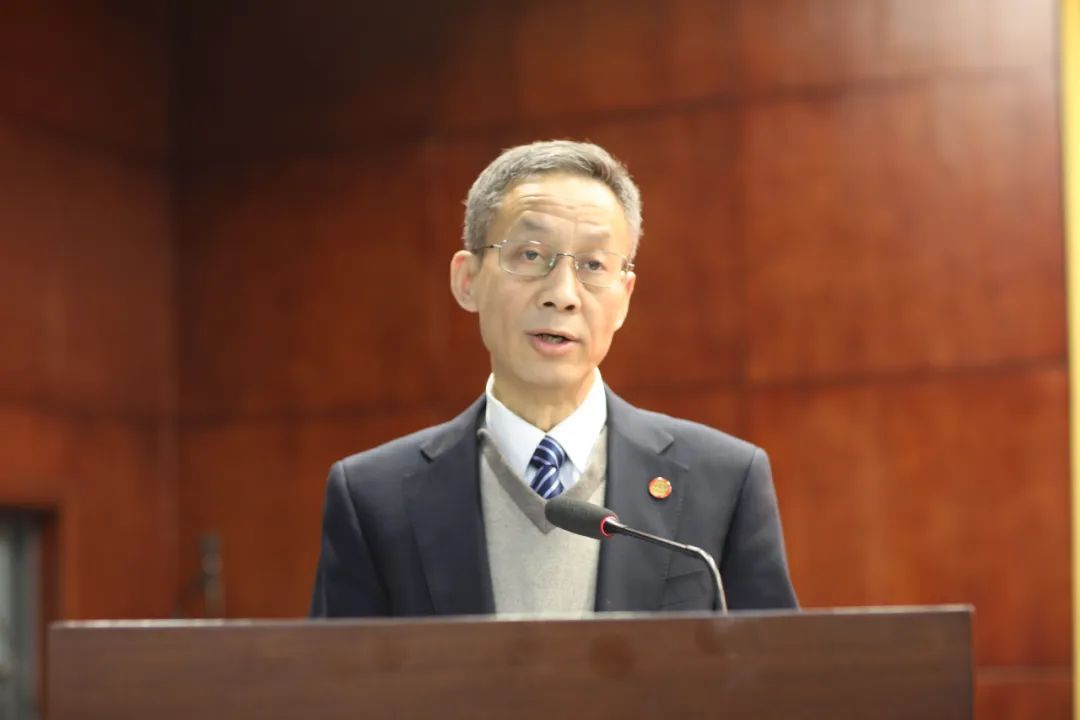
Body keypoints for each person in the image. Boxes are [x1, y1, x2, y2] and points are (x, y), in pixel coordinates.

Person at [310, 140, 796, 617]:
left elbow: (776, 668)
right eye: (529, 255)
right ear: (467, 279)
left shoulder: (724, 482)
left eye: (593, 265)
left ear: (624, 297)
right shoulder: (375, 498)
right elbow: (339, 672)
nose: (562, 294)